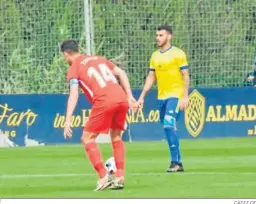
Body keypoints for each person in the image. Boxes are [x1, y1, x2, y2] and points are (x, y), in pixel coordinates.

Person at [60, 39, 136, 191]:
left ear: (66, 54)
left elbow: (74, 94)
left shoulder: (74, 68)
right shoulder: (100, 59)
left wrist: (67, 119)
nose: (65, 59)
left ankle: (103, 177)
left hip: (104, 100)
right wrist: (129, 96)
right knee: (116, 136)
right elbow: (121, 72)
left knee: (87, 138)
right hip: (121, 98)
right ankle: (120, 176)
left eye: (64, 56)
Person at [136, 25, 190, 172]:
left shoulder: (178, 54)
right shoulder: (155, 56)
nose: (158, 38)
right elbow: (151, 77)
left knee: (168, 124)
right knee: (168, 128)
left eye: (161, 35)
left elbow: (185, 76)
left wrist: (185, 96)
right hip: (162, 97)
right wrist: (141, 97)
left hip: (176, 95)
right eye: (157, 35)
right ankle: (177, 161)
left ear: (169, 36)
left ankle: (176, 162)